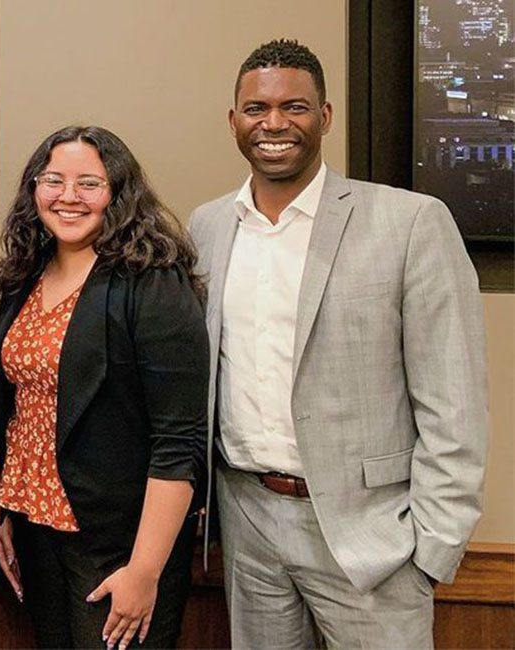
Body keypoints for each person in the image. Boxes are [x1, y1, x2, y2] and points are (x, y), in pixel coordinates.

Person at [189, 39, 488, 648]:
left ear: (324, 117)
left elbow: (453, 401)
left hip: (373, 537)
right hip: (247, 523)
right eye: (256, 109)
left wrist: (431, 548)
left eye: (294, 107)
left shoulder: (410, 223)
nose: (274, 124)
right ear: (233, 122)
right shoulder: (208, 226)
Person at [0, 126, 208, 650]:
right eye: (54, 181)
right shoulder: (24, 277)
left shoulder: (153, 281)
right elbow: (11, 404)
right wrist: (3, 513)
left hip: (118, 544)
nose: (68, 197)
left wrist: (144, 571)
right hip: (37, 533)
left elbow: (180, 442)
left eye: (89, 183)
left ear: (119, 193)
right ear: (34, 188)